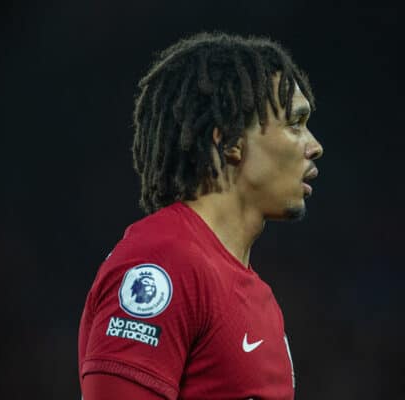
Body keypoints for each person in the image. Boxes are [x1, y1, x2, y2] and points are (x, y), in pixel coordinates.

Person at [78, 32, 323, 400]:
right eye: (295, 123)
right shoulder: (164, 261)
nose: (314, 146)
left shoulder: (260, 298)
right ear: (230, 142)